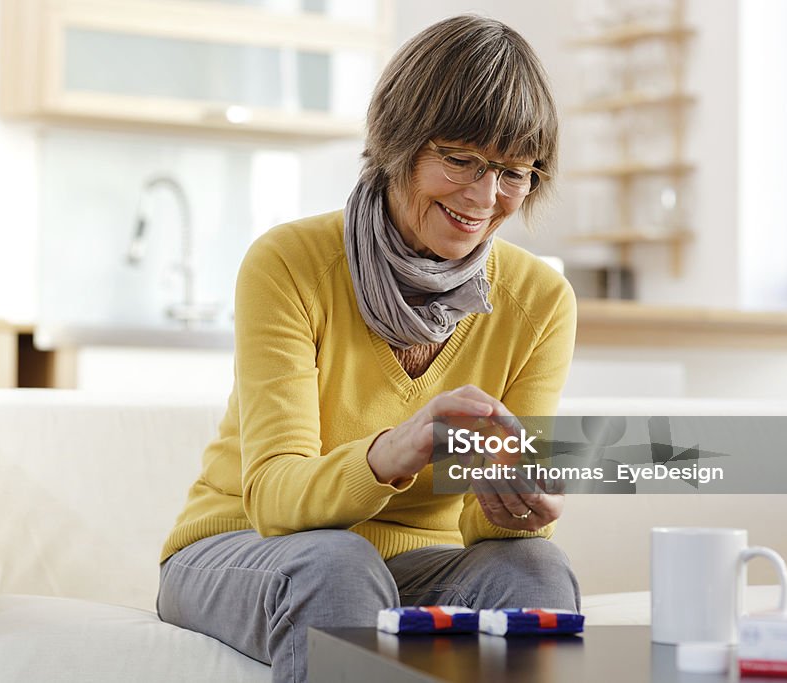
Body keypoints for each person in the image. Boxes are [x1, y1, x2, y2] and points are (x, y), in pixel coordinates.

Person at [156, 14, 578, 683]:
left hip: (418, 567)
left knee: (537, 568)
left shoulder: (540, 303)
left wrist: (527, 505)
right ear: (396, 142)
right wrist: (395, 449)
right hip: (244, 547)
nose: (484, 195)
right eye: (461, 159)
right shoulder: (289, 263)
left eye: (512, 170)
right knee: (337, 565)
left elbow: (481, 524)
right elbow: (273, 496)